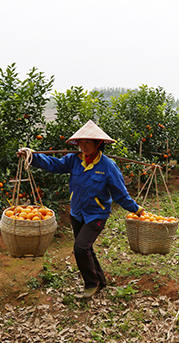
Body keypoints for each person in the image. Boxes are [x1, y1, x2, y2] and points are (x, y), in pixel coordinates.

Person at [17, 120, 144, 298]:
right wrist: (32, 156)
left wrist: (137, 210)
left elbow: (120, 194)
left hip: (97, 215)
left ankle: (91, 284)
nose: (83, 146)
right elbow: (53, 164)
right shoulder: (73, 160)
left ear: (98, 144)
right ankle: (100, 280)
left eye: (88, 143)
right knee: (86, 247)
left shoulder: (108, 166)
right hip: (77, 213)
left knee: (80, 247)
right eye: (81, 143)